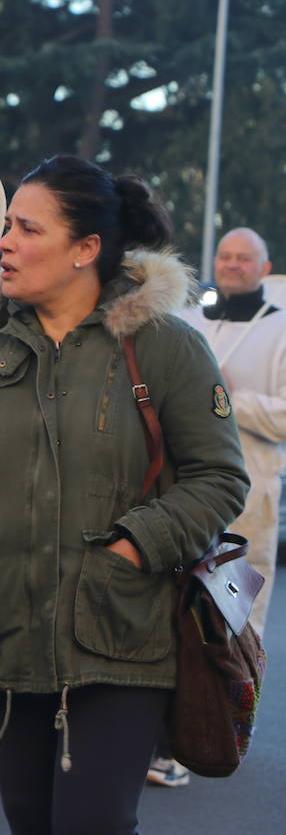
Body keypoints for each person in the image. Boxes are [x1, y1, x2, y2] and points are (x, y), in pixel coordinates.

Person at [0, 156, 248, 830]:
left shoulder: (165, 346)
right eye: (6, 226)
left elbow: (220, 477)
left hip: (120, 635)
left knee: (92, 824)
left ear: (86, 249)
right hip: (5, 632)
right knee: (29, 821)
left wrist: (131, 549)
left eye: (27, 228)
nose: (4, 242)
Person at [182, 227, 286, 637]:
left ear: (264, 267)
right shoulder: (188, 322)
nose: (232, 264)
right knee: (184, 618)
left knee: (241, 621)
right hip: (185, 486)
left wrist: (225, 397)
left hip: (250, 489)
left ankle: (240, 699)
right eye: (226, 255)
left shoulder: (281, 331)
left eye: (244, 258)